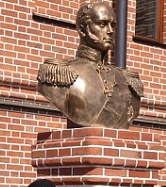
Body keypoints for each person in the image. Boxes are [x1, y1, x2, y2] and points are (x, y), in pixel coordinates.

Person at [37, 1, 143, 129]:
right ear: (83, 29)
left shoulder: (128, 80)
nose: (110, 31)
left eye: (113, 25)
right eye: (102, 24)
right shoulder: (61, 73)